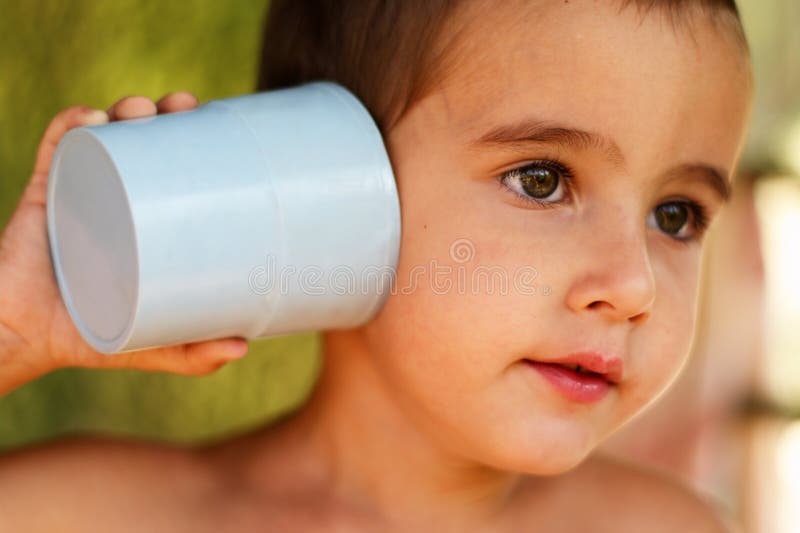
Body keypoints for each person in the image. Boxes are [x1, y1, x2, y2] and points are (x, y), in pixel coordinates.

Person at [0, 0, 753, 531]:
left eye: (675, 215)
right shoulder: (85, 515)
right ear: (320, 162)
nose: (633, 286)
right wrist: (12, 327)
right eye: (541, 179)